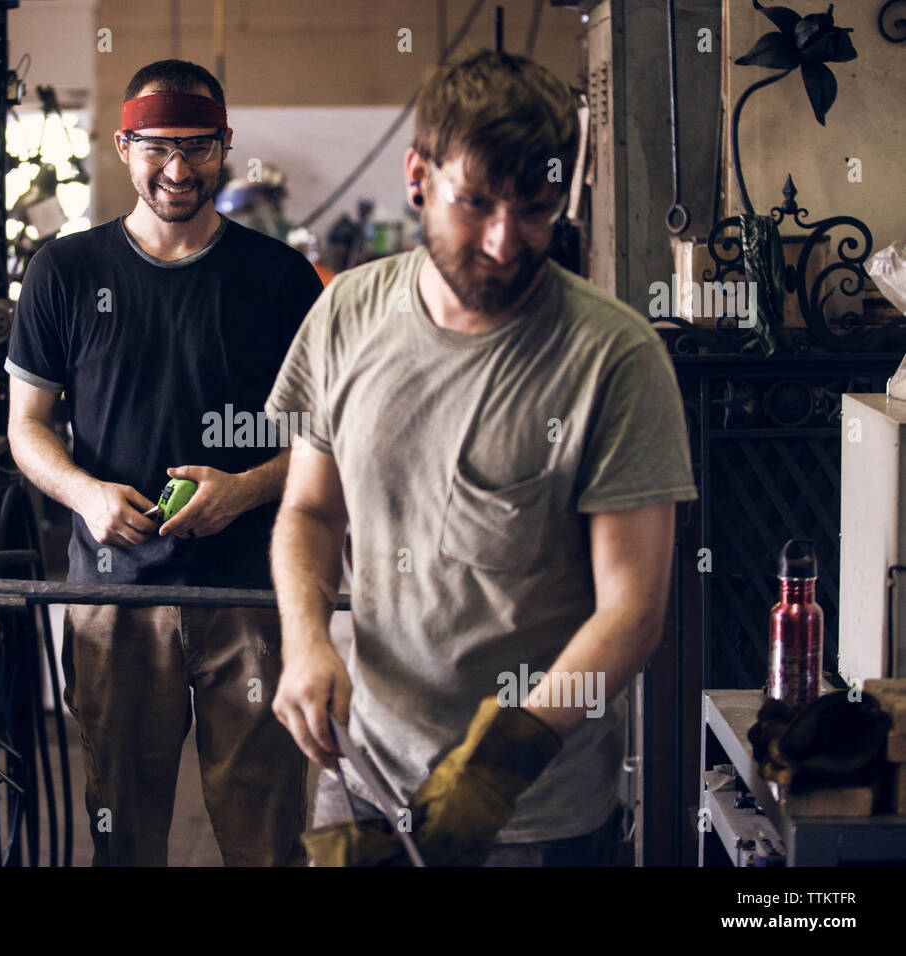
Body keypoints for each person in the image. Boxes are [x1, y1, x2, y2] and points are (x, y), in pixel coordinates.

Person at [266, 51, 698, 866]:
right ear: (418, 177)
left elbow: (632, 611)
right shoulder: (346, 316)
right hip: (362, 776)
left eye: (535, 210)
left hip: (533, 814)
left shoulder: (613, 358)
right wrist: (307, 640)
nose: (505, 243)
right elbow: (311, 509)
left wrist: (501, 763)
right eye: (476, 204)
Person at [6, 59, 323, 866]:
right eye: (156, 147)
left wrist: (246, 490)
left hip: (249, 594)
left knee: (267, 835)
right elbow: (28, 426)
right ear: (122, 146)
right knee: (124, 832)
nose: (178, 170)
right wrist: (84, 495)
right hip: (115, 595)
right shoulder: (65, 274)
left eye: (198, 147)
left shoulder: (279, 277)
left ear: (225, 146)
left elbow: (333, 437)